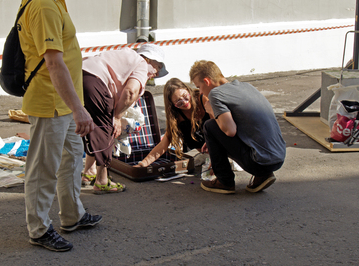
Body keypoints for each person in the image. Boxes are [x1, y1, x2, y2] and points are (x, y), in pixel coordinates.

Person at [19, 0, 101, 252]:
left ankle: (72, 215)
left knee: (72, 158)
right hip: (50, 102)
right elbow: (54, 63)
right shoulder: (45, 7)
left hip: (63, 103)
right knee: (43, 169)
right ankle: (39, 229)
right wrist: (80, 109)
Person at [81, 44, 168, 193]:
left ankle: (89, 172)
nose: (156, 72)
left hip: (79, 76)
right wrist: (116, 116)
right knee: (106, 129)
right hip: (96, 82)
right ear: (148, 59)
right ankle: (102, 182)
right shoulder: (141, 63)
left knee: (94, 128)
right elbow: (130, 92)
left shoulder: (124, 53)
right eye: (158, 66)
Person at [189, 60, 286, 194]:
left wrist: (211, 111)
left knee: (209, 126)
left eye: (199, 87)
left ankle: (224, 181)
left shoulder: (215, 94)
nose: (200, 92)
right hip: (278, 157)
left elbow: (230, 131)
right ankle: (262, 176)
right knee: (216, 127)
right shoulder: (246, 86)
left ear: (207, 81)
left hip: (259, 162)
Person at [136, 78, 210, 167]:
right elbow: (163, 145)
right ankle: (206, 156)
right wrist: (142, 164)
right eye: (179, 102)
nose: (185, 102)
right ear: (173, 104)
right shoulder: (177, 117)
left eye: (185, 96)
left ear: (187, 89)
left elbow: (220, 126)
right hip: (205, 151)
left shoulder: (203, 98)